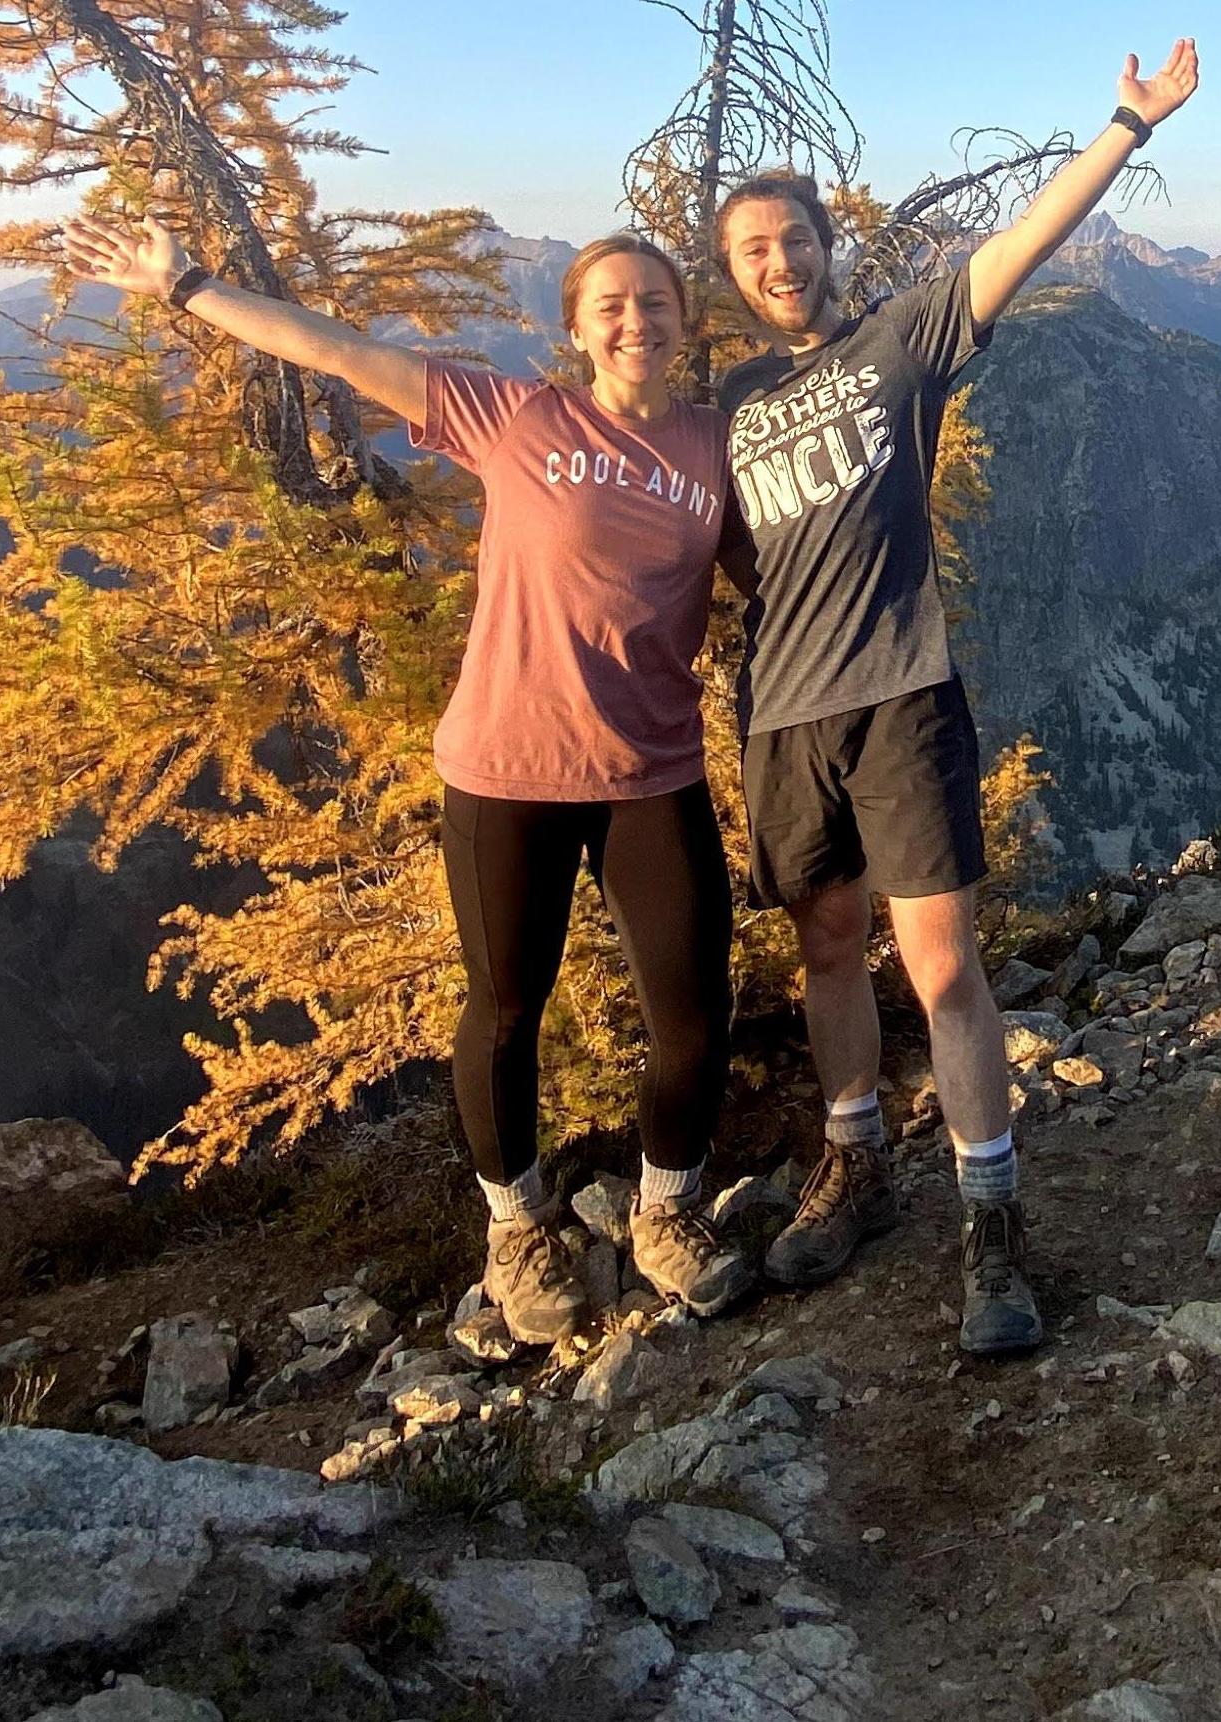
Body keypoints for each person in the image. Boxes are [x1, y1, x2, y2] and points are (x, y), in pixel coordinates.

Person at [60, 203, 756, 1341]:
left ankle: (666, 1210)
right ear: (578, 326)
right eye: (612, 305)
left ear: (683, 319)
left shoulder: (710, 446)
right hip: (505, 771)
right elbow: (337, 347)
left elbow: (781, 566)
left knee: (693, 1009)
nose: (637, 321)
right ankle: (518, 1228)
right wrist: (186, 284)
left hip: (651, 771)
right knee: (504, 1009)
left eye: (656, 303)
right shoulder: (517, 415)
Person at [715, 38, 1202, 1355]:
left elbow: (1019, 243)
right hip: (781, 720)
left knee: (940, 967)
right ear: (735, 273)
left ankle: (991, 1217)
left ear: (826, 244)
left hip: (899, 695)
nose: (778, 259)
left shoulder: (896, 342)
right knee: (824, 951)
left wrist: (1124, 123)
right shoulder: (723, 405)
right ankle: (857, 1160)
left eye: (793, 235)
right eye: (751, 246)